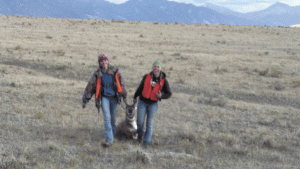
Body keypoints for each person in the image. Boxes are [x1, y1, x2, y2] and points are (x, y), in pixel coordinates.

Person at [82, 54, 127, 147]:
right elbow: (90, 87)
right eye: (101, 61)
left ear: (108, 61)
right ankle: (109, 140)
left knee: (112, 120)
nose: (104, 62)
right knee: (107, 118)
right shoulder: (97, 74)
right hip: (104, 98)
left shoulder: (115, 71)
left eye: (105, 60)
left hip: (114, 98)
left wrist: (124, 95)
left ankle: (112, 136)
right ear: (99, 63)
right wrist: (85, 100)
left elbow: (121, 84)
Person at [133, 61, 172, 148]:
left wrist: (162, 96)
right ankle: (140, 135)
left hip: (153, 104)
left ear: (161, 69)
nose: (156, 69)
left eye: (158, 67)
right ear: (152, 68)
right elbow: (140, 87)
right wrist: (135, 96)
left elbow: (169, 93)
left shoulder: (164, 80)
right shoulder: (146, 76)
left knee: (149, 124)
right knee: (140, 122)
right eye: (155, 66)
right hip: (142, 102)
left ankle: (147, 142)